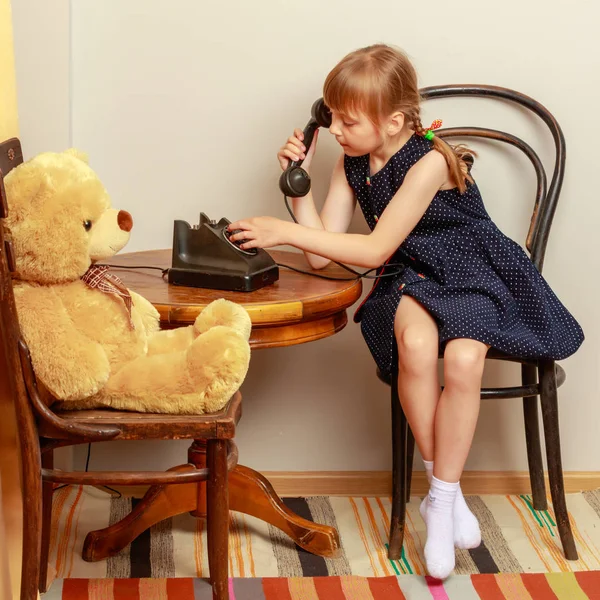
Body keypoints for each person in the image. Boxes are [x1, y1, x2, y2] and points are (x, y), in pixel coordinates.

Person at [228, 43, 584, 579]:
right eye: (334, 119)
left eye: (348, 121)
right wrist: (296, 191)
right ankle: (448, 495)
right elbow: (323, 256)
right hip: (411, 278)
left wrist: (278, 230)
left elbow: (371, 251)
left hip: (470, 271)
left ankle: (439, 498)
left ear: (395, 121)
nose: (339, 132)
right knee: (415, 345)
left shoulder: (430, 162)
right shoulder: (350, 167)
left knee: (464, 360)